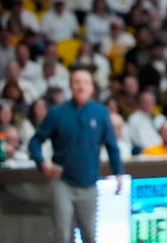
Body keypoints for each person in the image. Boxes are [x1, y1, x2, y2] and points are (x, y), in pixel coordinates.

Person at [28, 66, 123, 243]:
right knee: (62, 235)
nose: (81, 86)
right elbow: (35, 141)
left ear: (92, 87)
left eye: (85, 82)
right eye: (77, 82)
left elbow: (112, 146)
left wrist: (118, 173)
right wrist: (42, 163)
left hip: (89, 183)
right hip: (62, 181)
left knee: (89, 235)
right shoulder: (57, 112)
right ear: (70, 86)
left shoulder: (101, 113)